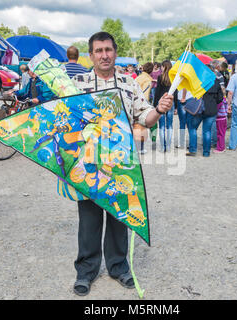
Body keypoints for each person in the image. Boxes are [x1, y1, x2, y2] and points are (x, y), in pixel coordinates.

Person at [70, 31, 173, 296]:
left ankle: (118, 267)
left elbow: (145, 117)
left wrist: (159, 109)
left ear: (115, 52)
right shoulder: (76, 83)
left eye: (108, 49)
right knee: (89, 220)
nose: (104, 55)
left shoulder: (129, 83)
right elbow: (63, 120)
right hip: (89, 163)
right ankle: (86, 270)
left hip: (122, 162)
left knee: (119, 216)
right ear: (91, 55)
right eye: (98, 51)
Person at [186, 74, 223, 157]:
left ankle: (193, 149)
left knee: (192, 128)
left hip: (199, 109)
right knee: (207, 131)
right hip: (211, 109)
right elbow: (220, 98)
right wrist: (213, 102)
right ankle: (206, 152)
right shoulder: (216, 82)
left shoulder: (198, 82)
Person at [153, 60, 177, 152]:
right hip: (171, 102)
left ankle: (163, 147)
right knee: (169, 125)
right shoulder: (173, 78)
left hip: (162, 102)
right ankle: (169, 146)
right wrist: (176, 106)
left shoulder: (160, 77)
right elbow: (176, 92)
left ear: (163, 67)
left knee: (162, 125)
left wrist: (155, 104)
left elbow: (157, 92)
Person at [135, 62, 154, 153]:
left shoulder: (138, 77)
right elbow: (145, 94)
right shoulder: (147, 80)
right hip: (142, 103)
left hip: (134, 102)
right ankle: (141, 148)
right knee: (142, 126)